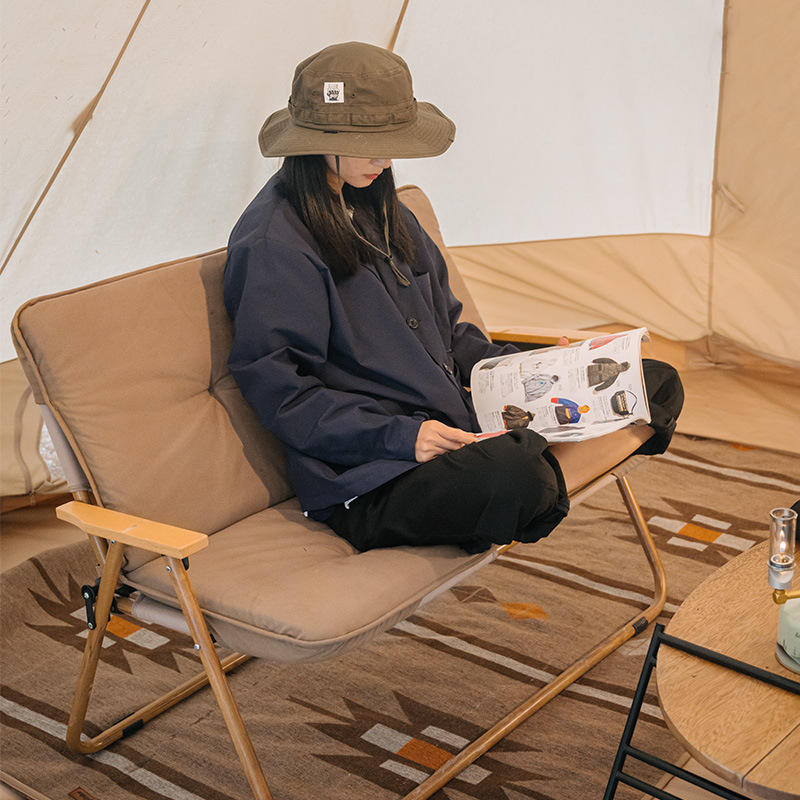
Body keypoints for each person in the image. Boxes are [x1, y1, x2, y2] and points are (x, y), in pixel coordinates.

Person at [224, 41, 683, 554]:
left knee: (653, 381)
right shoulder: (274, 244)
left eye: (392, 141)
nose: (385, 159)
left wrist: (551, 366)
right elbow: (283, 394)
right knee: (515, 473)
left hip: (458, 422)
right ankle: (530, 468)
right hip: (376, 473)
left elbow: (451, 335)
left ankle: (531, 464)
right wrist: (402, 437)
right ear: (314, 141)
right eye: (369, 142)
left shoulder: (387, 210)